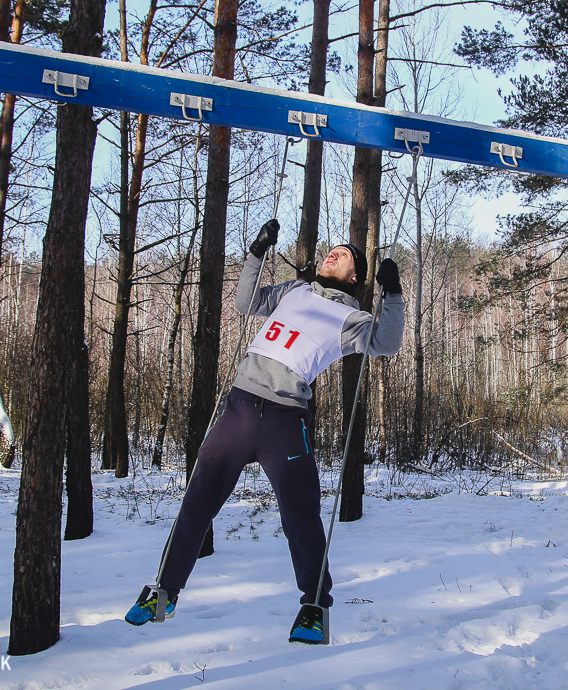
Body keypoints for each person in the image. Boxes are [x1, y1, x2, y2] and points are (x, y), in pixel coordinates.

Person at [125, 219, 405, 644]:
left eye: (344, 255)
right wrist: (257, 252)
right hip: (237, 409)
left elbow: (385, 344)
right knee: (197, 503)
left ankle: (313, 607)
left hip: (285, 419)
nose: (334, 253)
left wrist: (395, 293)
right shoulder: (293, 291)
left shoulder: (352, 317)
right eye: (332, 249)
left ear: (354, 276)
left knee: (301, 517)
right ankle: (163, 593)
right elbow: (246, 301)